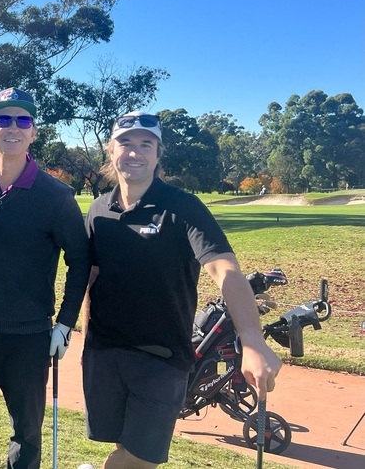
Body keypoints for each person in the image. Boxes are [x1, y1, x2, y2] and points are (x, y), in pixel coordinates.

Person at [81, 111, 283, 468]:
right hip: (105, 353)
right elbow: (92, 276)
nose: (135, 152)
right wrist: (86, 342)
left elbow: (224, 269)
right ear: (111, 151)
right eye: (125, 143)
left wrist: (252, 339)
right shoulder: (98, 210)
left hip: (163, 358)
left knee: (141, 458)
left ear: (159, 154)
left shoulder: (182, 207)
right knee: (123, 445)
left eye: (146, 144)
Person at [0, 88, 91, 468]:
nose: (13, 127)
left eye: (23, 120)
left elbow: (80, 260)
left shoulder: (56, 196)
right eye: (3, 119)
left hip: (28, 337)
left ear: (33, 132)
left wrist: (65, 325)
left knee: (26, 434)